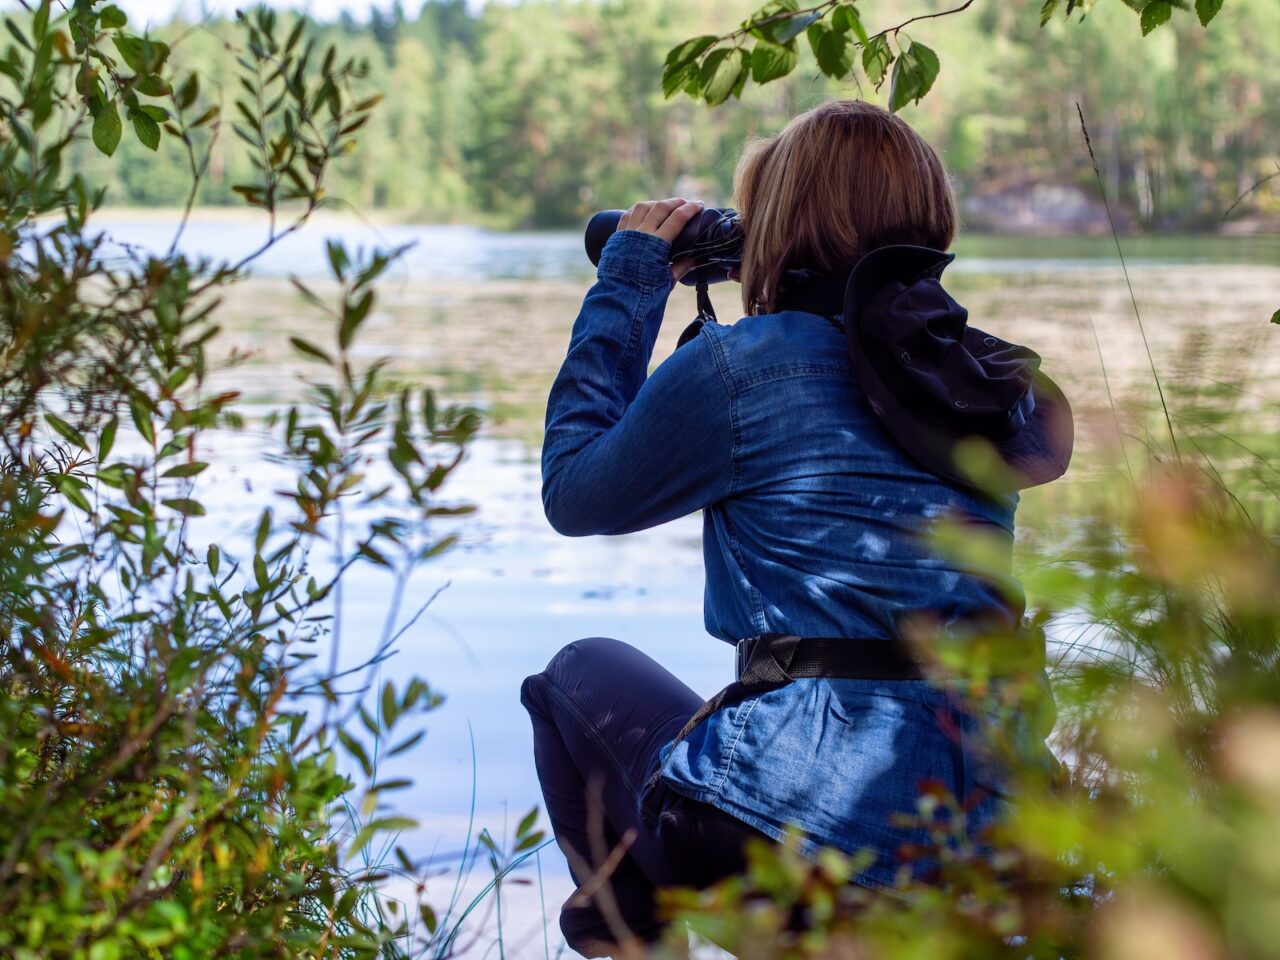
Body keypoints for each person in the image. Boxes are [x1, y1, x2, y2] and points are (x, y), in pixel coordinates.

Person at [520, 99, 1071, 957]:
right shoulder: (980, 380)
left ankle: (625, 946)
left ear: (777, 227)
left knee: (574, 675)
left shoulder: (743, 367)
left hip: (782, 838)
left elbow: (575, 493)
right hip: (980, 851)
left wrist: (631, 276)